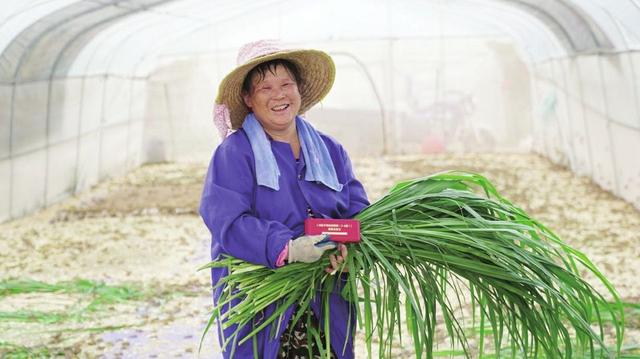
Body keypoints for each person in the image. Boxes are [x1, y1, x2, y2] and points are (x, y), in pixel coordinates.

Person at [199, 40, 370, 359]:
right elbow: (229, 223)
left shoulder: (330, 150)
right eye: (265, 87)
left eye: (286, 84)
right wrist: (288, 248)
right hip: (263, 302)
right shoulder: (235, 153)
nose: (278, 94)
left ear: (300, 90)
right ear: (248, 99)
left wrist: (351, 249)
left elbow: (358, 211)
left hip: (327, 292)